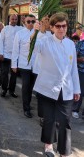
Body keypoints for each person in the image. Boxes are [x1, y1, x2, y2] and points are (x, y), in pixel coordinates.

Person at [33, 12, 80, 157]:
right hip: (48, 88)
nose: (61, 29)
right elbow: (35, 47)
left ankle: (64, 151)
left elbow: (73, 69)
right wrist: (37, 31)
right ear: (52, 27)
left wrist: (76, 89)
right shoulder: (45, 41)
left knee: (65, 121)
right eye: (58, 26)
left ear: (67, 27)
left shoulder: (70, 44)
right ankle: (48, 145)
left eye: (64, 26)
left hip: (66, 89)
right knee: (50, 119)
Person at [11, 14, 36, 118]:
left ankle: (28, 103)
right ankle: (26, 108)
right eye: (28, 21)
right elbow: (15, 50)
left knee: (31, 87)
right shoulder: (19, 34)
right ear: (25, 23)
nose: (31, 23)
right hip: (24, 65)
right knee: (25, 87)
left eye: (33, 21)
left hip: (36, 65)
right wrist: (14, 64)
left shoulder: (38, 33)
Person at [0, 14, 22, 98]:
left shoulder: (20, 29)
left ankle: (11, 90)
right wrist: (0, 53)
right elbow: (1, 41)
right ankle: (4, 89)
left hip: (15, 56)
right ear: (9, 19)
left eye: (16, 19)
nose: (14, 21)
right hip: (5, 54)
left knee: (14, 75)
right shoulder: (5, 29)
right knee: (5, 73)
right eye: (12, 19)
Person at [72, 39, 84, 119]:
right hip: (81, 71)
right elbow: (73, 58)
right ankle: (75, 110)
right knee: (80, 91)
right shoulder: (80, 43)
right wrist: (81, 59)